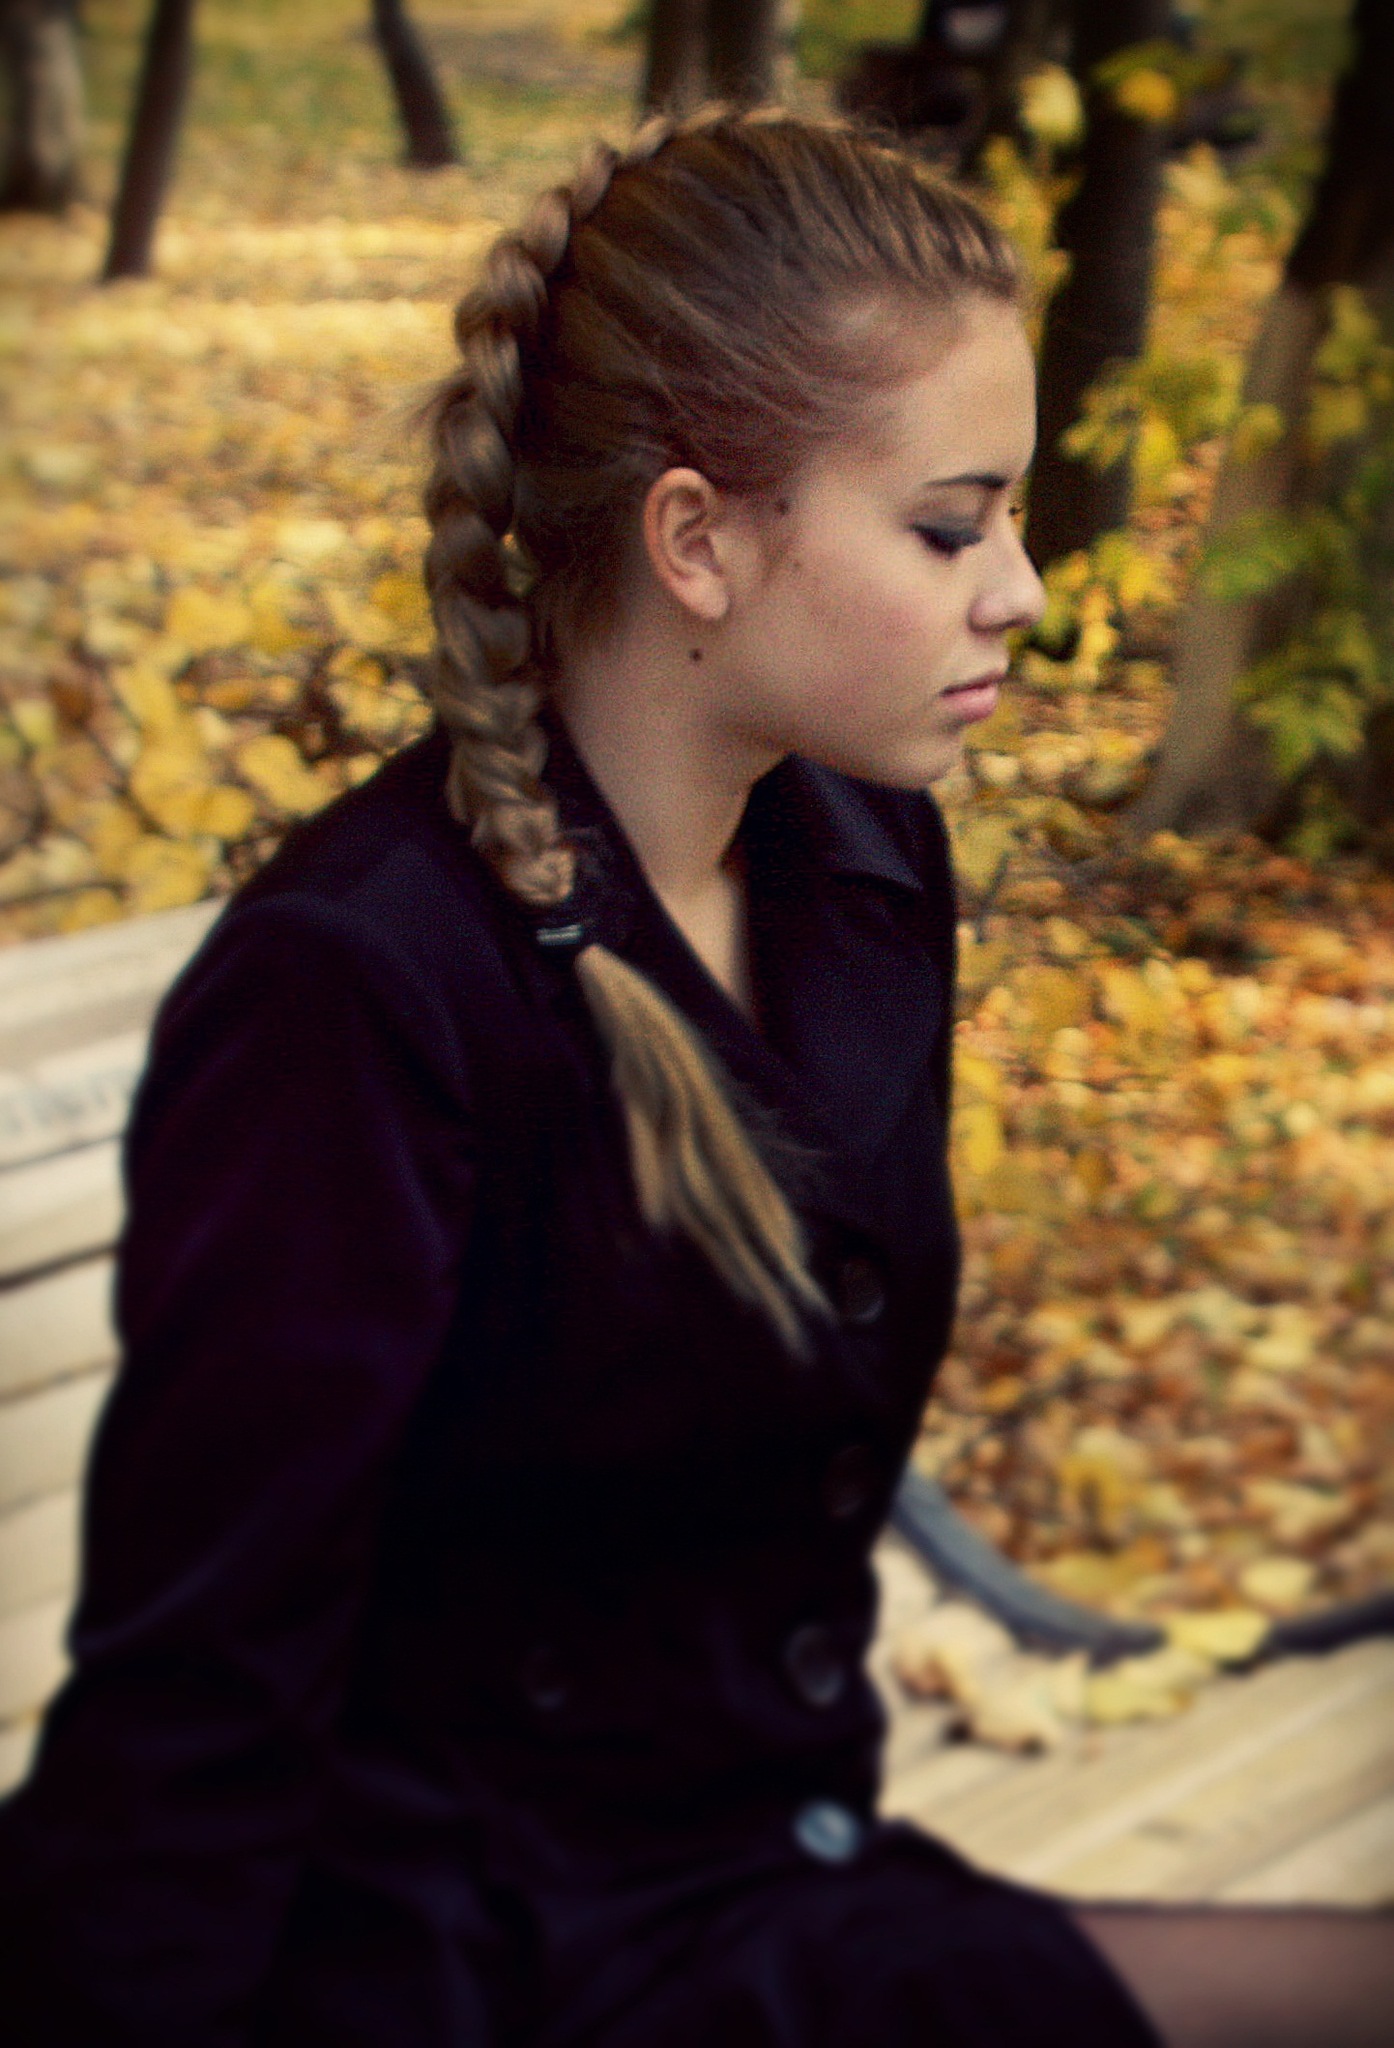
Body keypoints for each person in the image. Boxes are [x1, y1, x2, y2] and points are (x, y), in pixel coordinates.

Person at [0, 107, 1389, 2048]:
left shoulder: (860, 862)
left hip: (752, 1889)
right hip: (457, 1973)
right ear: (696, 540)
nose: (1020, 589)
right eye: (950, 525)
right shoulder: (360, 990)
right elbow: (199, 1703)